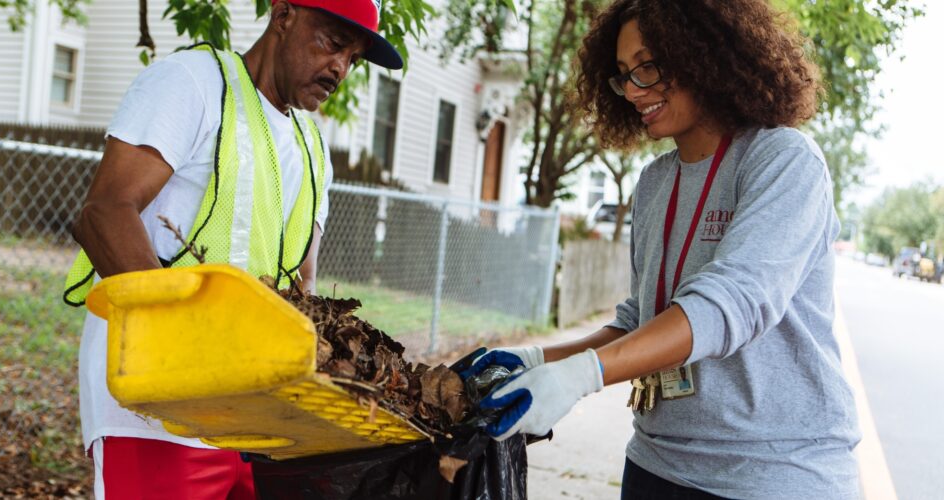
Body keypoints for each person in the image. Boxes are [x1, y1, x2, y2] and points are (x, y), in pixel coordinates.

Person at [462, 1, 861, 498]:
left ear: (704, 55)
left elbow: (730, 303)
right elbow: (640, 322)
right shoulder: (654, 184)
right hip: (656, 465)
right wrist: (539, 358)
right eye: (624, 75)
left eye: (648, 67)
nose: (633, 90)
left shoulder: (783, 160)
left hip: (772, 474)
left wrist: (582, 376)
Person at [62, 0, 402, 497]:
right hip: (158, 415)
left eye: (353, 58)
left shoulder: (313, 147)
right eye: (333, 41)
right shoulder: (192, 83)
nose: (340, 68)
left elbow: (300, 288)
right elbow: (105, 212)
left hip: (258, 424)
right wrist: (189, 356)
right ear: (283, 15)